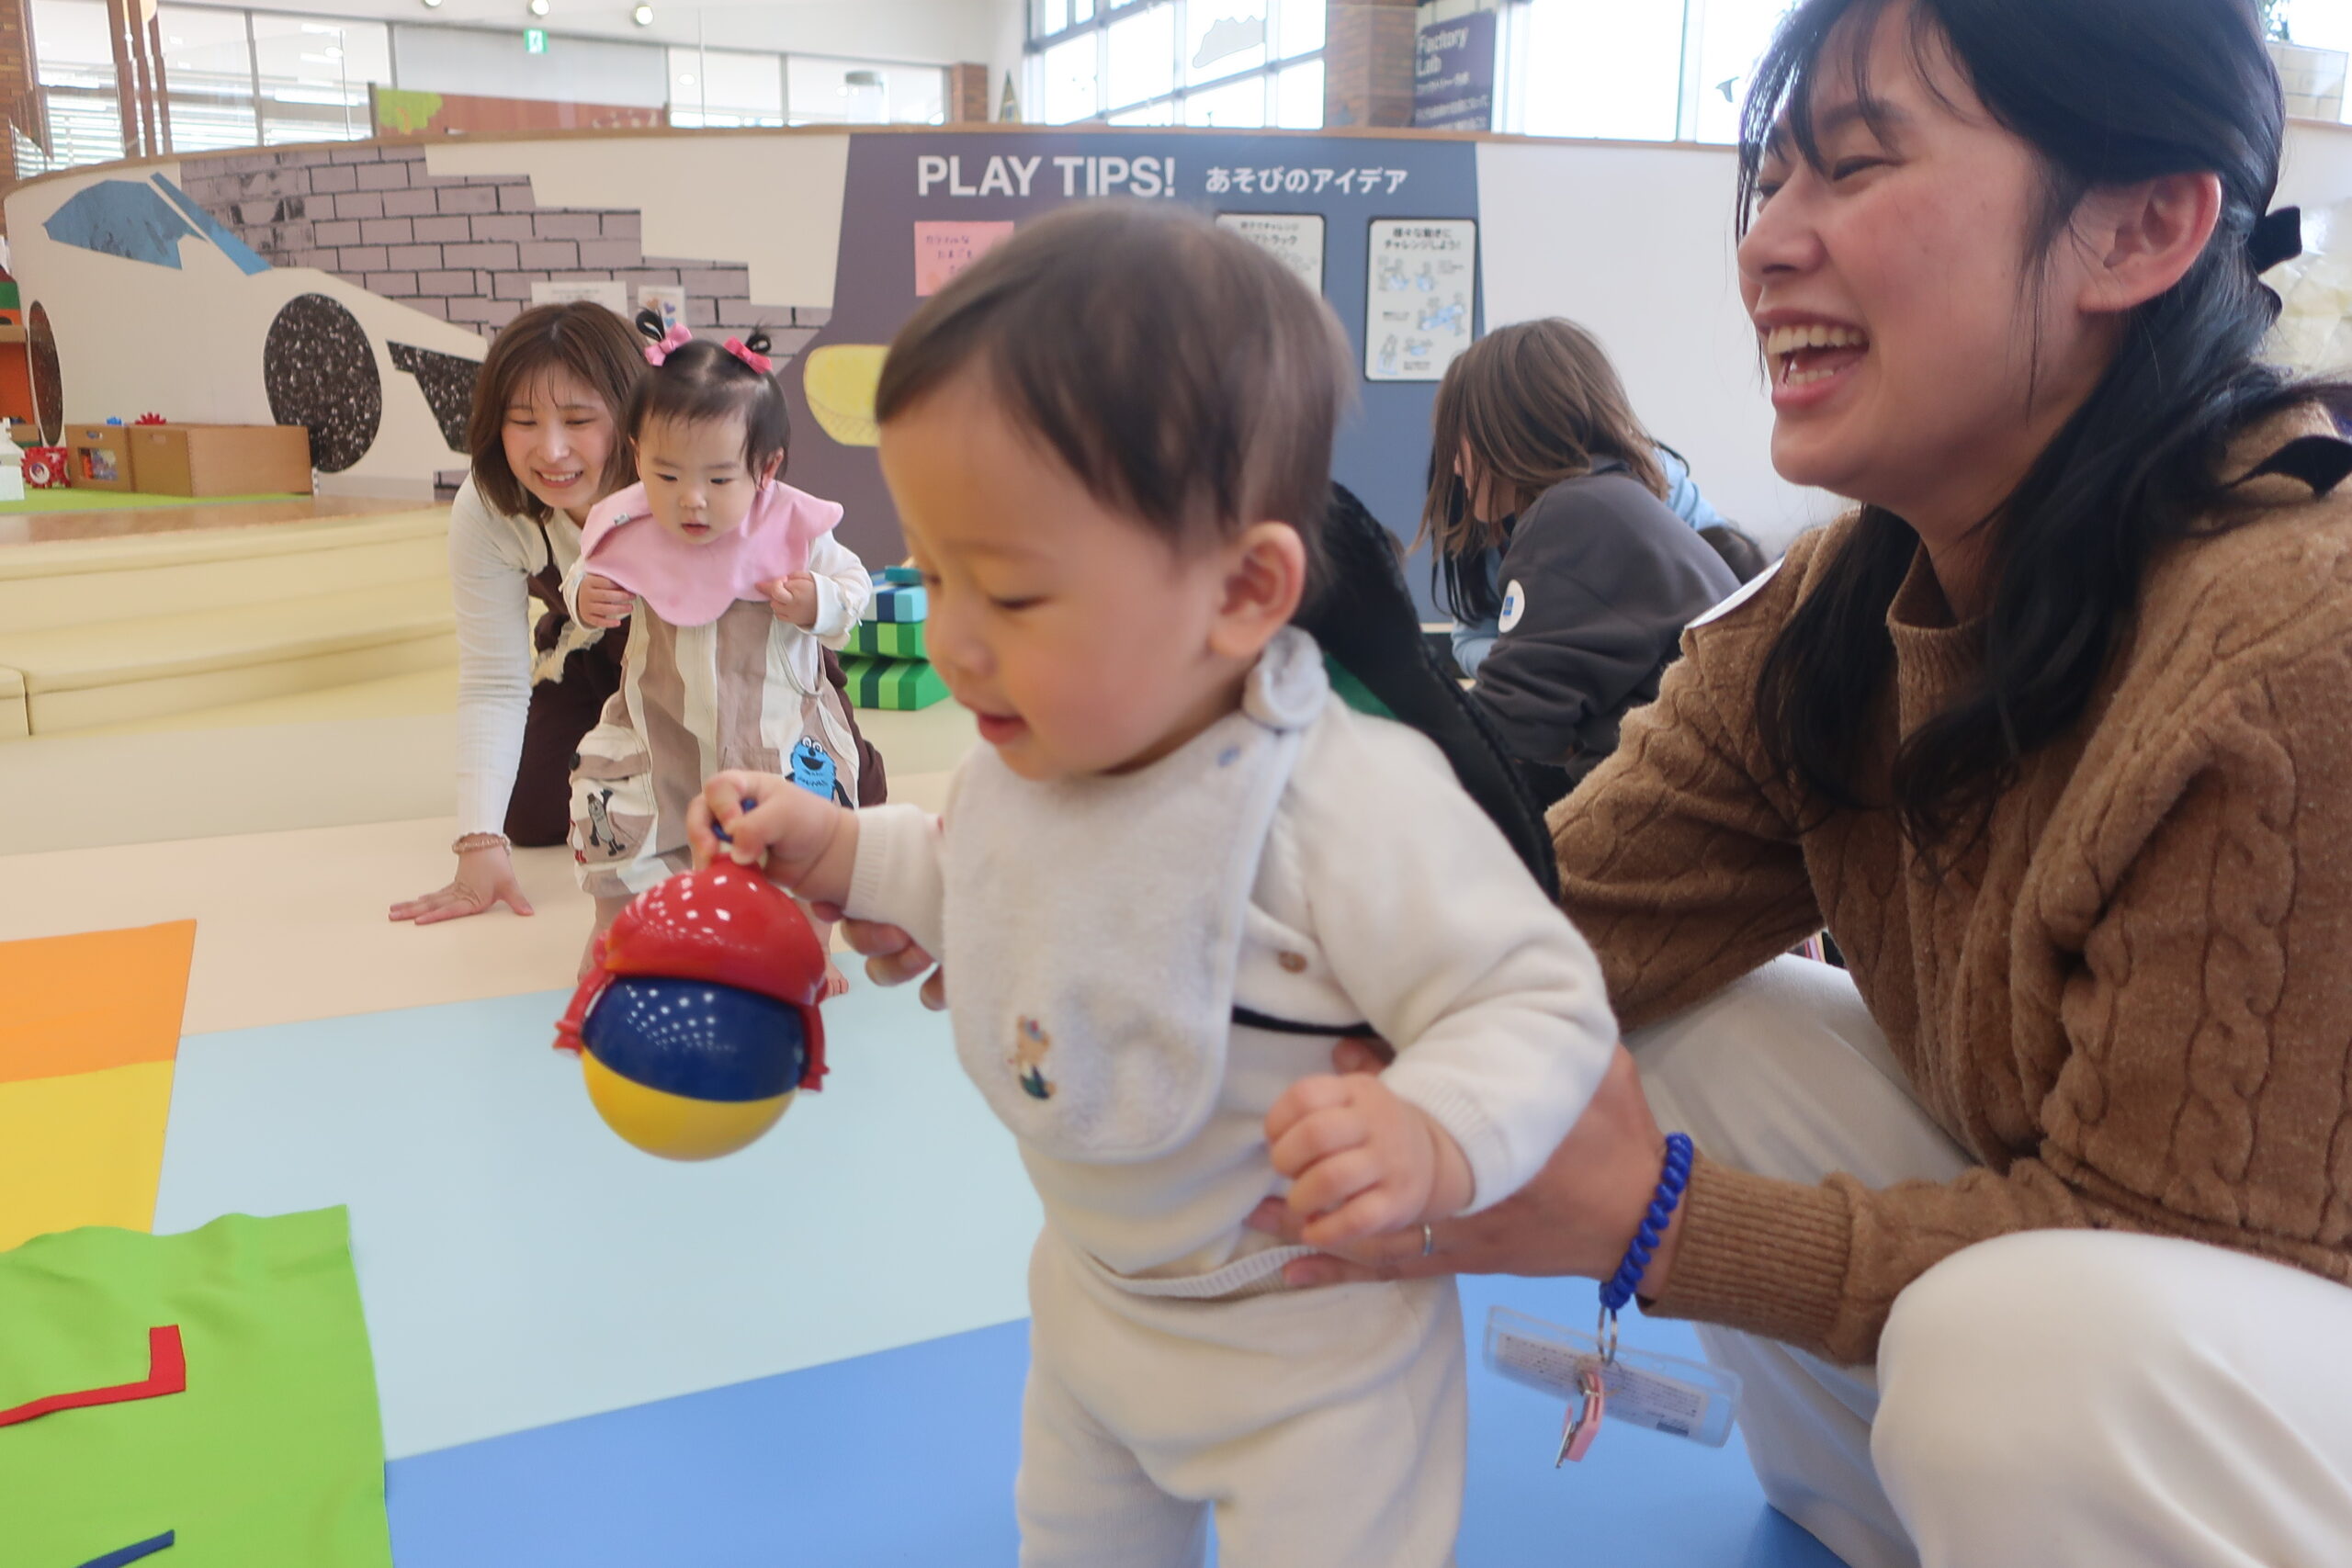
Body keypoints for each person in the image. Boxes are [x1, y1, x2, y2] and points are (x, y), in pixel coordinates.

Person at [850, 4, 2352, 1565]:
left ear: (2140, 227)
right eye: (1770, 180)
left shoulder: (2292, 646)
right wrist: (1085, 934)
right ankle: (1919, 1516)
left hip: (2263, 1355)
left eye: (1855, 167)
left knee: (2025, 1351)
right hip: (2111, 1310)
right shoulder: (1832, 618)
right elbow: (1533, 930)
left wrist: (1659, 1221)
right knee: (1634, 1018)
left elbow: (2179, 1250)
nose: (1768, 243)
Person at [688, 205, 1617, 1568]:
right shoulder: (1032, 757)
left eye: (1011, 594)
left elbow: (1538, 1000)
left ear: (1243, 591)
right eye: (935, 577)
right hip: (1092, 1307)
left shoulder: (1343, 802)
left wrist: (1433, 1132)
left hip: (1311, 1347)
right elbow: (979, 878)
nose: (953, 642)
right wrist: (837, 849)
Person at [567, 317, 874, 992]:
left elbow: (857, 590)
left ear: (766, 468)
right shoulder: (629, 524)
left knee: (805, 836)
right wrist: (585, 596)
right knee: (620, 821)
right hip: (659, 731)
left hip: (776, 732)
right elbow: (583, 574)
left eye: (718, 477)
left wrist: (818, 601)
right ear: (637, 454)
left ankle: (810, 945)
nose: (691, 499)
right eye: (666, 473)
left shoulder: (794, 529)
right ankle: (615, 929)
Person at [389, 301, 644, 927]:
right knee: (529, 812)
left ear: (632, 415)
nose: (551, 451)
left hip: (723, 666)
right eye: (523, 421)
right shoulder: (489, 505)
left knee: (811, 805)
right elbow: (493, 680)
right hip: (593, 655)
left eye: (578, 420)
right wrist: (479, 843)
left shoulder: (677, 477)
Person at [1424, 319, 1739, 803]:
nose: (1454, 466)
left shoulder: (1569, 514)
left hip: (1681, 797)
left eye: (1456, 441)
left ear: (1503, 431)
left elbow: (1511, 722)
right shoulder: (1612, 499)